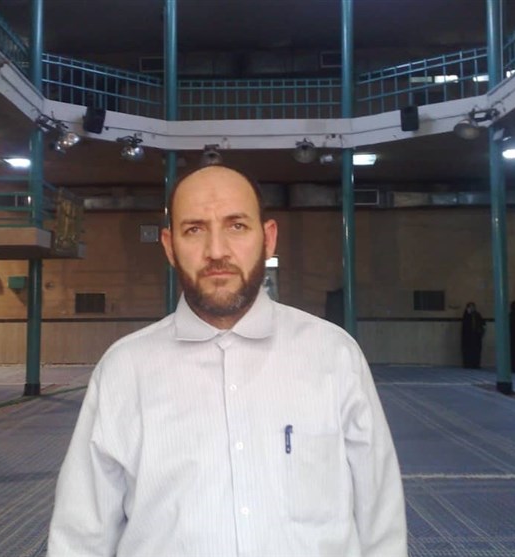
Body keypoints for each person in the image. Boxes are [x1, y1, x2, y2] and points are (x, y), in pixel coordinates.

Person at [48, 164, 408, 556]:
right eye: (194, 229)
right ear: (169, 246)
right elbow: (81, 535)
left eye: (236, 226)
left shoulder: (333, 355)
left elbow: (380, 520)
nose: (216, 251)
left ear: (268, 239)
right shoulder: (125, 369)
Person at [461, 302, 485, 369]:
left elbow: (482, 323)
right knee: (468, 350)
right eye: (470, 307)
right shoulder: (466, 315)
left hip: (476, 336)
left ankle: (476, 364)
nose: (472, 308)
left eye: (473, 307)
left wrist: (480, 331)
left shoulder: (477, 315)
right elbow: (465, 325)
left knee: (476, 350)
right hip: (468, 336)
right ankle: (468, 364)